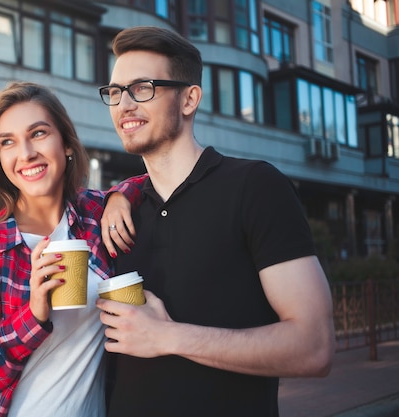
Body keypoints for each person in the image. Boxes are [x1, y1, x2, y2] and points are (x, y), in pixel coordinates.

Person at [95, 26, 336, 417]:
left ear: (189, 99)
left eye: (142, 88)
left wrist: (168, 336)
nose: (124, 105)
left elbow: (315, 346)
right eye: (115, 92)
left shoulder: (256, 187)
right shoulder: (119, 211)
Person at [0, 81, 142, 417]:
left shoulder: (94, 217)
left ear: (65, 143)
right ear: (0, 159)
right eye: (8, 142)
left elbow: (155, 181)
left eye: (38, 133)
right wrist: (32, 316)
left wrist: (123, 194)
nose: (26, 153)